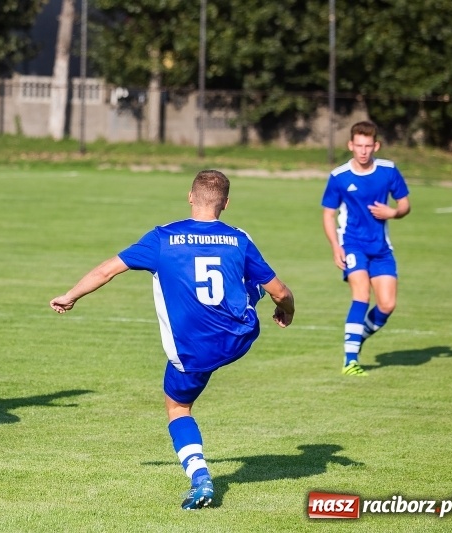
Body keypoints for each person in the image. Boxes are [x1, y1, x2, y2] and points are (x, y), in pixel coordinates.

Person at [49, 170, 295, 510]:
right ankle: (244, 303)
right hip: (238, 336)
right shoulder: (239, 238)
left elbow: (107, 270)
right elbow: (280, 291)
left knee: (178, 408)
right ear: (225, 203)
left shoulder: (163, 237)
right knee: (250, 286)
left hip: (191, 351)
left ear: (189, 197)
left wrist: (71, 295)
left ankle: (200, 478)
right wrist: (288, 311)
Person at [321, 121, 410, 377]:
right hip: (352, 244)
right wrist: (335, 247)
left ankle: (356, 337)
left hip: (381, 248)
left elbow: (405, 204)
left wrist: (393, 212)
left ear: (376, 146)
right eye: (358, 145)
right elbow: (328, 215)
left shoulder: (388, 171)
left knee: (388, 304)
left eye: (368, 146)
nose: (363, 151)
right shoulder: (339, 177)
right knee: (361, 294)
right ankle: (351, 360)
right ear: (350, 145)